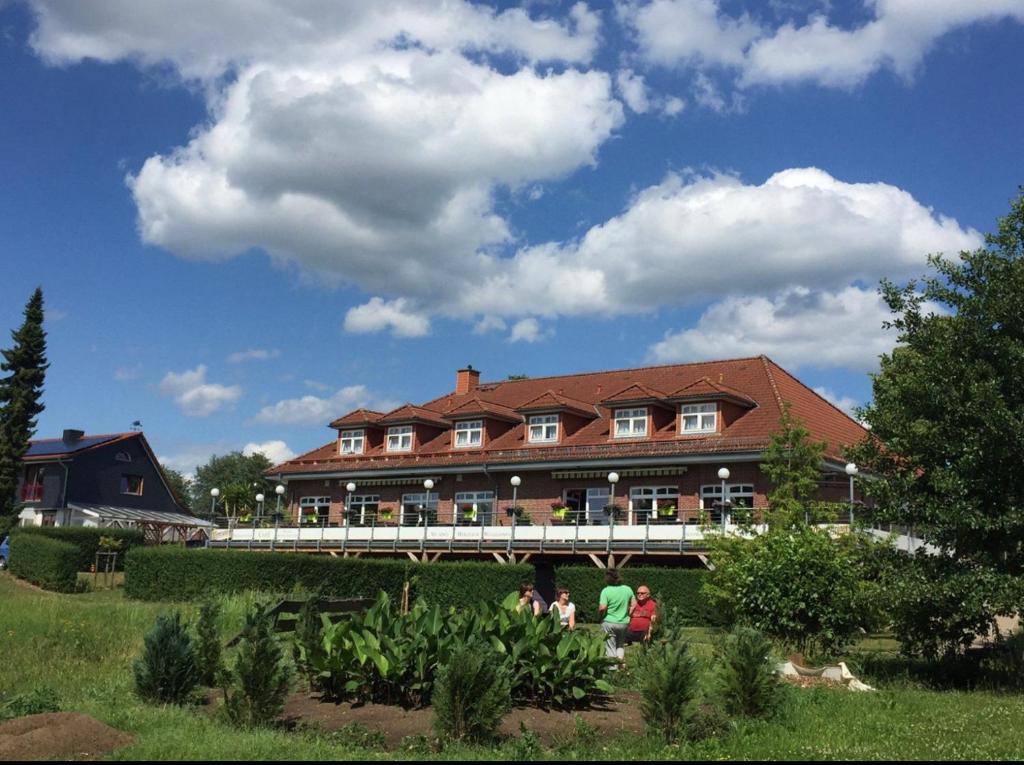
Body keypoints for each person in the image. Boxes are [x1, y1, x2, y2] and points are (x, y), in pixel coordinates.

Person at [598, 569, 635, 665]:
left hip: (609, 622)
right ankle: (621, 665)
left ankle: (612, 668)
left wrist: (601, 616)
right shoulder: (628, 589)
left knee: (610, 645)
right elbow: (634, 604)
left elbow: (602, 608)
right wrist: (629, 614)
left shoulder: (606, 590)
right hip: (624, 623)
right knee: (620, 645)